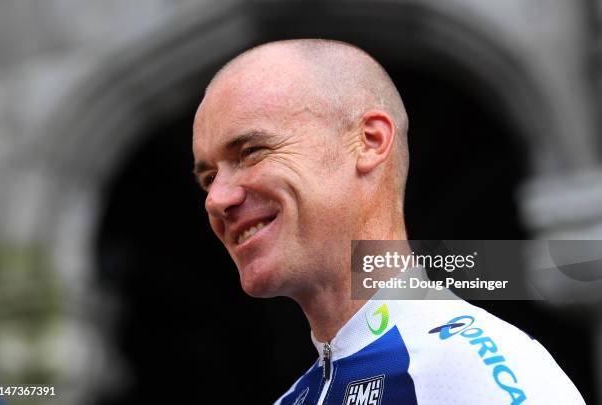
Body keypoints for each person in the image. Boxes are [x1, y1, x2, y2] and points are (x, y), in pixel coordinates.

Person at [192, 39, 585, 404]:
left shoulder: (474, 373)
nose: (217, 199)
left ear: (370, 141)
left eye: (251, 151)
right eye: (209, 178)